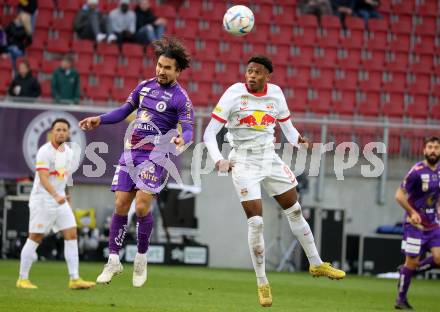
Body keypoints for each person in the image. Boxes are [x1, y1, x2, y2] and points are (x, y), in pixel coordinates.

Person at [203, 55, 345, 307]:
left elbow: (288, 129)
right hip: (243, 162)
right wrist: (218, 160)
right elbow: (209, 132)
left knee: (295, 209)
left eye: (257, 72)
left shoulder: (276, 94)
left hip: (269, 159)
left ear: (268, 76)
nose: (252, 76)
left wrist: (301, 142)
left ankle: (315, 263)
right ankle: (262, 283)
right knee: (256, 222)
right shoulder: (234, 94)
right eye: (249, 71)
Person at [78, 36, 193, 287]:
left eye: (168, 68)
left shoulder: (180, 98)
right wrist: (100, 118)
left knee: (141, 207)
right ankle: (113, 261)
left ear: (178, 71)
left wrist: (181, 139)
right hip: (130, 153)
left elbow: (189, 129)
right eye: (160, 65)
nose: (161, 70)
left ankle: (141, 259)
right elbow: (123, 111)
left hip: (156, 156)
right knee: (120, 204)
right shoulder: (144, 87)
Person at [16, 119, 95, 290]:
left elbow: (63, 176)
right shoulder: (44, 151)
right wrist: (55, 194)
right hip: (43, 200)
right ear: (52, 132)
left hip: (60, 200)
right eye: (58, 129)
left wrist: (66, 194)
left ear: (68, 133)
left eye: (64, 130)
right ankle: (22, 279)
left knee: (72, 234)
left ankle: (74, 279)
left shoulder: (68, 152)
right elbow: (43, 177)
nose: (61, 132)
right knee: (35, 237)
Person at [394, 136, 440, 310]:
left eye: (436, 147)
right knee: (411, 262)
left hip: (433, 224)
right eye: (430, 147)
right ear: (424, 150)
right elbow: (399, 195)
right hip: (415, 225)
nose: (433, 150)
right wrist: (412, 213)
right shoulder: (417, 171)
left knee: (439, 258)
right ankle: (401, 299)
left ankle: (408, 271)